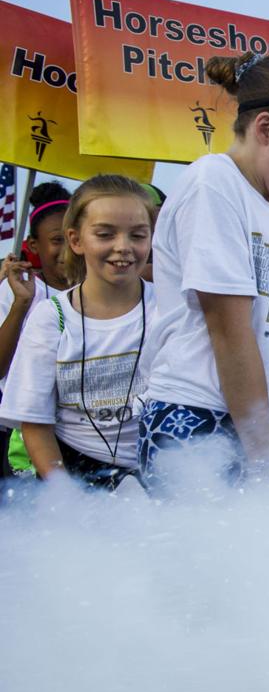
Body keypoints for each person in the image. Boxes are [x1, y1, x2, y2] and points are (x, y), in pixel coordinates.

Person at [138, 51, 269, 491]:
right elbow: (229, 330)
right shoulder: (213, 183)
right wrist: (264, 456)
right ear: (266, 128)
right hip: (196, 416)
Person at [0, 175, 155, 489]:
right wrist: (65, 496)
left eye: (138, 235)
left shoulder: (169, 309)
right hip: (75, 471)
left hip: (158, 471)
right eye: (105, 234)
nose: (123, 247)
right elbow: (35, 422)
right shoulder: (51, 317)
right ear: (76, 240)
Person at [0, 186, 73, 478]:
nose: (68, 249)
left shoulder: (104, 292)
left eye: (74, 237)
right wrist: (21, 304)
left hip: (85, 436)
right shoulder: (16, 290)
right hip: (23, 438)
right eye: (57, 240)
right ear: (34, 243)